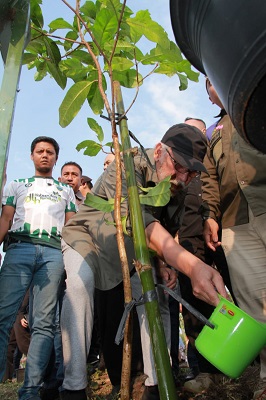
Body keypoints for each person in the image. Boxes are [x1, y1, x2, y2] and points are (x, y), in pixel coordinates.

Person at [59, 123, 227, 400]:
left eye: (192, 172)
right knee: (79, 286)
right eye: (179, 166)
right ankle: (73, 387)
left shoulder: (178, 188)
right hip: (89, 236)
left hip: (133, 248)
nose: (184, 178)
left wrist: (164, 263)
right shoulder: (129, 163)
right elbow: (138, 222)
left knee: (157, 296)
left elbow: (164, 229)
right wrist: (191, 265)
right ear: (160, 150)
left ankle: (157, 383)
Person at [201, 79, 266, 400]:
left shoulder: (256, 101)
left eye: (212, 78)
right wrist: (211, 216)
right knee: (255, 303)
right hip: (235, 223)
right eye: (206, 84)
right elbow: (209, 178)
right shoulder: (213, 132)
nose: (210, 86)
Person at [0, 136, 77, 400]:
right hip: (18, 249)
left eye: (50, 152)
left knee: (44, 325)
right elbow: (6, 219)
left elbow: (72, 228)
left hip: (53, 254)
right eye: (40, 151)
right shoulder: (16, 185)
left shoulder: (66, 191)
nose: (45, 155)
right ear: (32, 155)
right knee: (2, 317)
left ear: (56, 157)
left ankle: (31, 390)